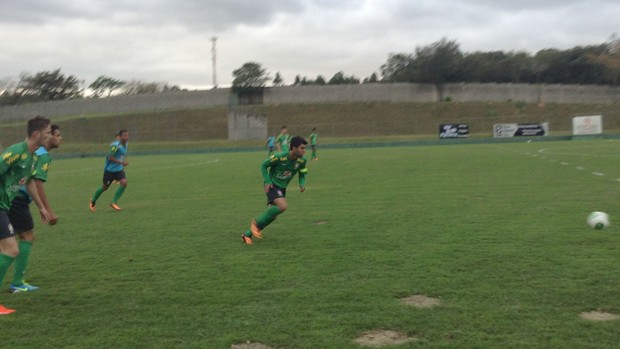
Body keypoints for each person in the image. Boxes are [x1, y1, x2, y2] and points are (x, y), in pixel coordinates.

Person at [0, 116, 52, 315]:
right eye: (47, 133)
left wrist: (41, 207)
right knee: (11, 249)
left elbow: (29, 181)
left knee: (6, 249)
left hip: (4, 206)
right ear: (36, 134)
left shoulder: (32, 156)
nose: (49, 136)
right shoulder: (16, 152)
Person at [7, 124, 62, 294]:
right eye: (57, 135)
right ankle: (17, 282)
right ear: (48, 136)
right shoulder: (43, 155)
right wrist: (48, 210)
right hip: (18, 198)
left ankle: (17, 281)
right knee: (26, 236)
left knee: (11, 239)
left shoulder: (32, 152)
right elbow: (37, 183)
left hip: (11, 197)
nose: (60, 138)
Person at [242, 136, 308, 244]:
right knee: (283, 206)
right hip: (272, 185)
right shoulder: (279, 157)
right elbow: (264, 165)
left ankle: (247, 235)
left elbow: (302, 173)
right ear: (294, 148)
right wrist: (267, 181)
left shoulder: (302, 161)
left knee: (273, 216)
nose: (304, 151)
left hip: (282, 188)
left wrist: (302, 183)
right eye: (302, 148)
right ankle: (255, 223)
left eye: (305, 148)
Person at [89, 129, 129, 212]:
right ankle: (93, 200)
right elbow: (110, 157)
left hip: (119, 170)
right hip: (109, 170)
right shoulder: (115, 146)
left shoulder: (126, 144)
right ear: (120, 137)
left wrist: (121, 163)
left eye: (127, 135)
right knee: (105, 187)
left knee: (124, 183)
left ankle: (114, 202)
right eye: (125, 136)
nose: (127, 137)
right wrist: (122, 162)